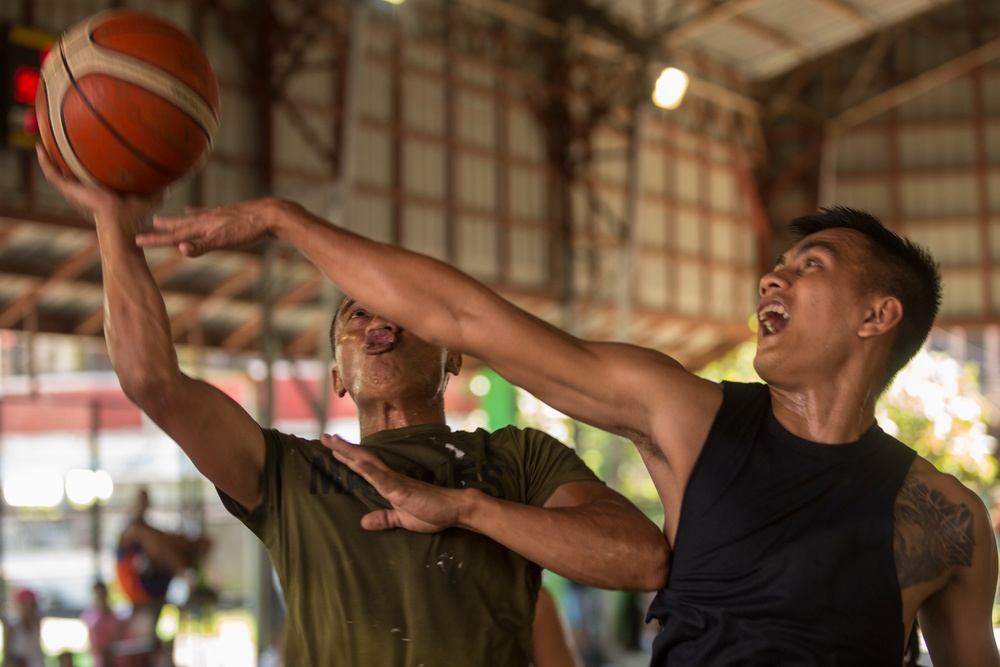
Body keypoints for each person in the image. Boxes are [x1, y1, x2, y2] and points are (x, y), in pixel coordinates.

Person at [115, 188, 1000, 666]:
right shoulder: (688, 417)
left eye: (808, 267)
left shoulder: (949, 523)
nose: (773, 279)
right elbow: (467, 315)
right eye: (776, 263)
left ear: (877, 315)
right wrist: (283, 220)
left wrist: (467, 507)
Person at [37, 148, 670, 665]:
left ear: (454, 355)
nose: (376, 323)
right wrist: (115, 230)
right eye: (354, 313)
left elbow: (641, 558)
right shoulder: (286, 471)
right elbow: (153, 379)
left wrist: (468, 509)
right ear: (337, 378)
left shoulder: (518, 458)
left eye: (399, 312)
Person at [81, 580, 124, 667]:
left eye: (102, 593)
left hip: (115, 658)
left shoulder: (115, 617)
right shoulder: (88, 616)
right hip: (99, 659)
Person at [2, 588, 45, 667]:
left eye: (32, 605)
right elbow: (7, 655)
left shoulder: (36, 625)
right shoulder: (12, 627)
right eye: (25, 605)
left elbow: (38, 653)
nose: (29, 609)